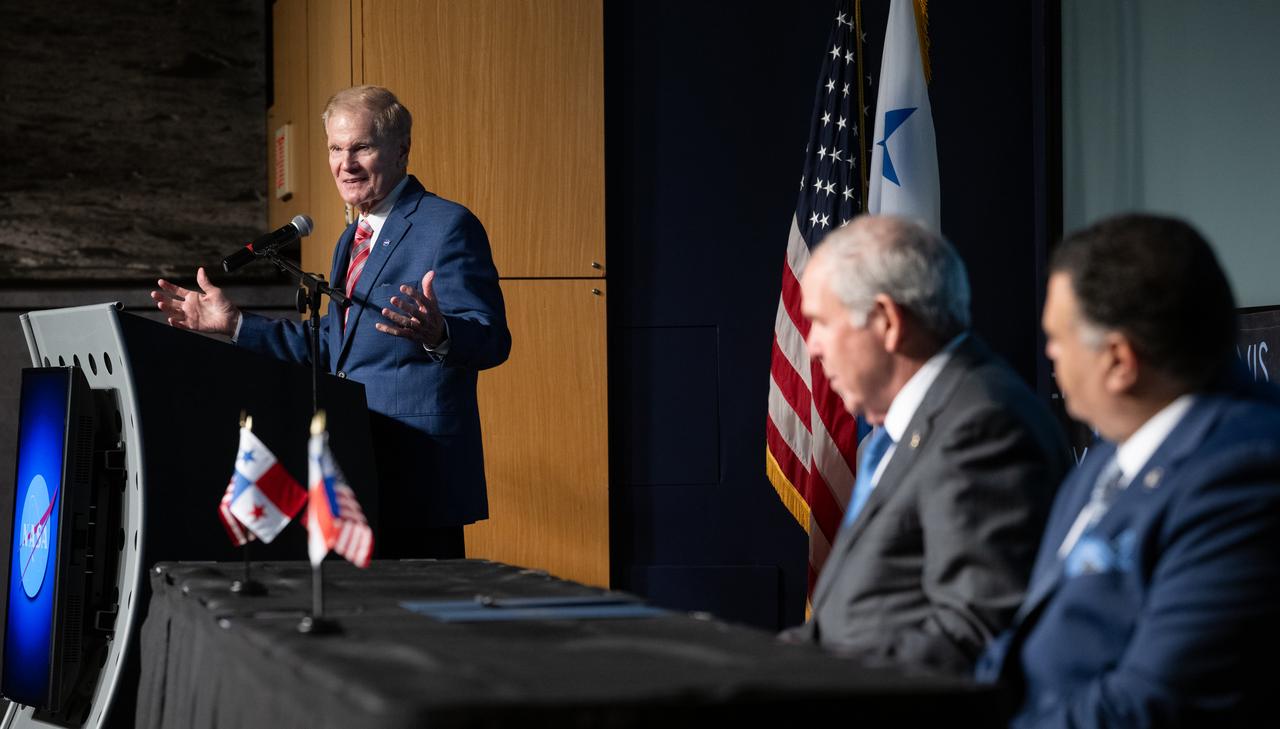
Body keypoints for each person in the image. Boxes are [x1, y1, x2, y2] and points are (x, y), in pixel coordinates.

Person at [151, 85, 511, 559]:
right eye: (335, 149)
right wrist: (235, 324)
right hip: (356, 465)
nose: (346, 163)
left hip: (417, 472)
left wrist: (440, 333)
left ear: (401, 150)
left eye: (361, 146)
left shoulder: (447, 226)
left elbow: (492, 338)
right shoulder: (350, 240)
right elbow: (330, 345)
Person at [977, 213, 1280, 727]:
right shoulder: (1110, 451)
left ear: (1118, 360)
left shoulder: (1246, 475)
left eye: (1057, 338)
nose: (1050, 355)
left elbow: (1153, 704)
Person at [784, 215, 1070, 675]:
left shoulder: (983, 426)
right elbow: (847, 622)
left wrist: (814, 685)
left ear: (887, 322)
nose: (812, 347)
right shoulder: (907, 428)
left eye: (819, 321)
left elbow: (972, 633)